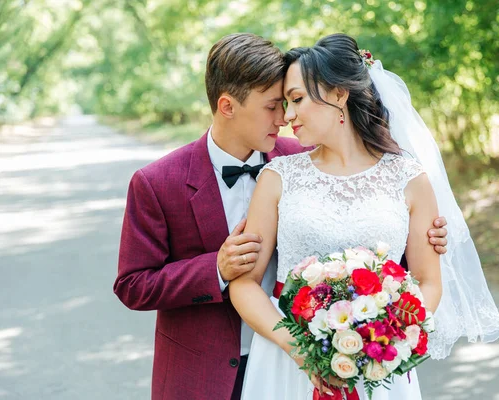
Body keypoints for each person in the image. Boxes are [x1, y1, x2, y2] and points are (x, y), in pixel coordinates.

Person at [114, 33, 450, 400]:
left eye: (290, 102)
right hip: (210, 368)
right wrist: (217, 270)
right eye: (273, 106)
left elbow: (368, 228)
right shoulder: (157, 182)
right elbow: (132, 283)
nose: (286, 118)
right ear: (228, 106)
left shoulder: (296, 157)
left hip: (320, 355)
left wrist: (418, 240)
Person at [229, 33, 499, 400]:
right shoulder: (278, 177)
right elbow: (244, 283)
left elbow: (428, 282)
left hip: (379, 362)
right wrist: (298, 349)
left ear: (339, 94)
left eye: (296, 99)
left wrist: (386, 337)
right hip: (288, 363)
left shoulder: (410, 178)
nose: (287, 116)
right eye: (283, 103)